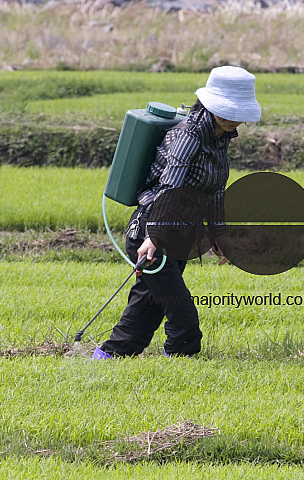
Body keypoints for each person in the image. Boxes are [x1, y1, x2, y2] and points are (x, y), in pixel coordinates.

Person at [95, 65, 261, 358]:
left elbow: (216, 188)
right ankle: (182, 362)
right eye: (230, 112)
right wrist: (155, 237)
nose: (236, 120)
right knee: (182, 316)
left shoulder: (219, 136)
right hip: (154, 230)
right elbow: (170, 189)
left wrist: (217, 233)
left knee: (146, 309)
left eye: (240, 114)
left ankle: (108, 357)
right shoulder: (187, 136)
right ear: (211, 105)